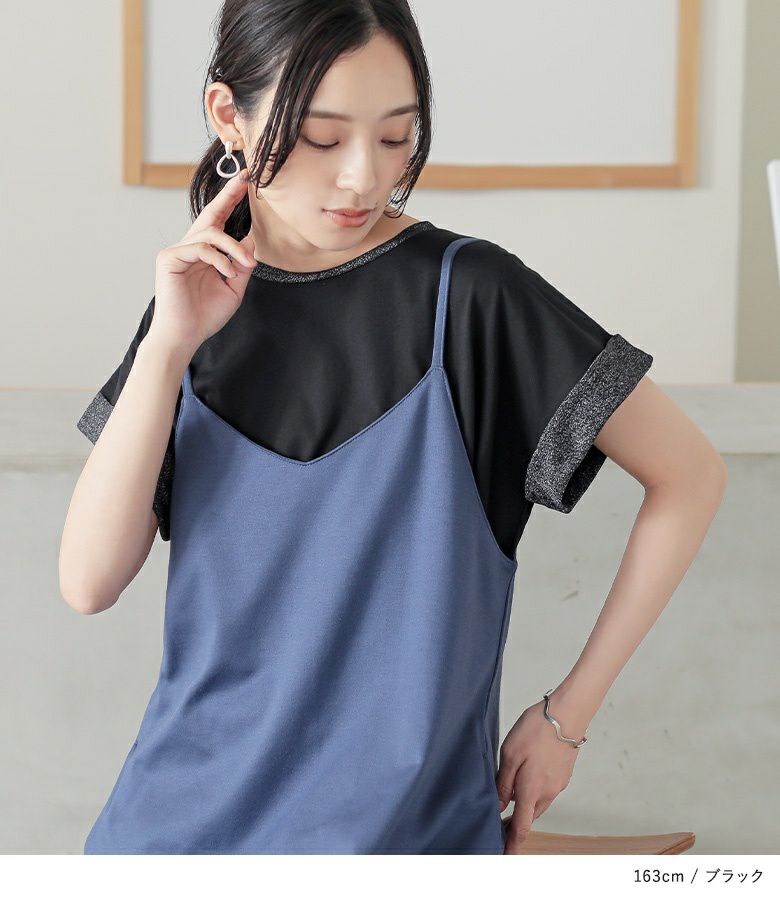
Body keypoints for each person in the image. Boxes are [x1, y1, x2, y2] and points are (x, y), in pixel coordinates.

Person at [60, 0, 727, 855]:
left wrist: (568, 716)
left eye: (395, 136)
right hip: (172, 839)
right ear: (228, 114)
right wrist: (166, 349)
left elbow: (690, 475)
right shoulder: (190, 308)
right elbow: (88, 582)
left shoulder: (473, 296)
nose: (363, 179)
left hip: (402, 847)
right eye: (322, 137)